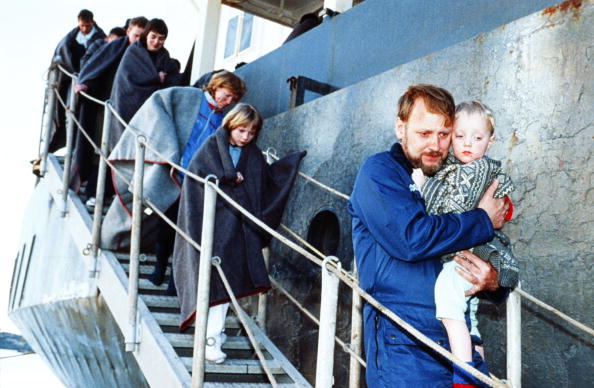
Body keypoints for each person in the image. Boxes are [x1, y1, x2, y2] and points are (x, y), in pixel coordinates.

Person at [349, 84, 509, 387]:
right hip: (403, 341)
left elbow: (476, 250)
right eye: (424, 133)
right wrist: (482, 219)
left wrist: (493, 282)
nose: (435, 144)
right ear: (401, 128)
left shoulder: (454, 177)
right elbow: (412, 238)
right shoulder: (380, 171)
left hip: (458, 336)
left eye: (444, 133)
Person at [171, 104, 306, 363]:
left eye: (251, 133)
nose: (245, 137)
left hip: (235, 230)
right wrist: (228, 177)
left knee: (226, 280)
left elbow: (265, 181)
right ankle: (209, 338)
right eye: (241, 130)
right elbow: (198, 179)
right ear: (230, 126)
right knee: (213, 281)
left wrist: (290, 162)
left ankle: (214, 334)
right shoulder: (211, 147)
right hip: (208, 227)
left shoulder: (252, 154)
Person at [414, 100, 519, 387]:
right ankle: (478, 368)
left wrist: (421, 188)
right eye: (460, 137)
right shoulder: (450, 168)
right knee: (469, 314)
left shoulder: (481, 170)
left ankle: (463, 376)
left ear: (491, 140)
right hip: (465, 249)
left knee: (447, 299)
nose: (468, 144)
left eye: (477, 137)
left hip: (474, 251)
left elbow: (498, 209)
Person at [148, 70, 246, 294]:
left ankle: (175, 280)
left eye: (233, 99)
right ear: (216, 86)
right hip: (175, 173)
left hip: (197, 182)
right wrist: (169, 152)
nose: (228, 101)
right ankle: (159, 267)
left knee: (186, 232)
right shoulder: (193, 99)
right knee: (165, 225)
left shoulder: (224, 121)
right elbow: (162, 108)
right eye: (226, 94)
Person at [69, 17, 148, 198]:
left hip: (126, 110)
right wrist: (85, 82)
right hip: (103, 105)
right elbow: (97, 65)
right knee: (99, 146)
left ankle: (108, 191)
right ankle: (93, 190)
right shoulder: (115, 47)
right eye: (136, 35)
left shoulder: (143, 54)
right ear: (128, 31)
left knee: (116, 150)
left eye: (141, 36)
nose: (138, 40)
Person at [108, 18, 183, 149]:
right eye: (153, 37)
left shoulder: (164, 56)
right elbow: (127, 80)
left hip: (151, 113)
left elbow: (172, 80)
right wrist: (155, 77)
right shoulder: (133, 51)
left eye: (161, 39)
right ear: (146, 34)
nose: (156, 42)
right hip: (127, 106)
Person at [49, 9, 106, 152]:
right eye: (82, 26)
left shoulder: (100, 37)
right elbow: (62, 53)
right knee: (69, 110)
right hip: (71, 79)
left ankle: (76, 148)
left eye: (87, 25)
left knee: (82, 114)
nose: (85, 29)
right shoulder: (72, 37)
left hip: (87, 80)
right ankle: (68, 145)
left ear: (92, 22)